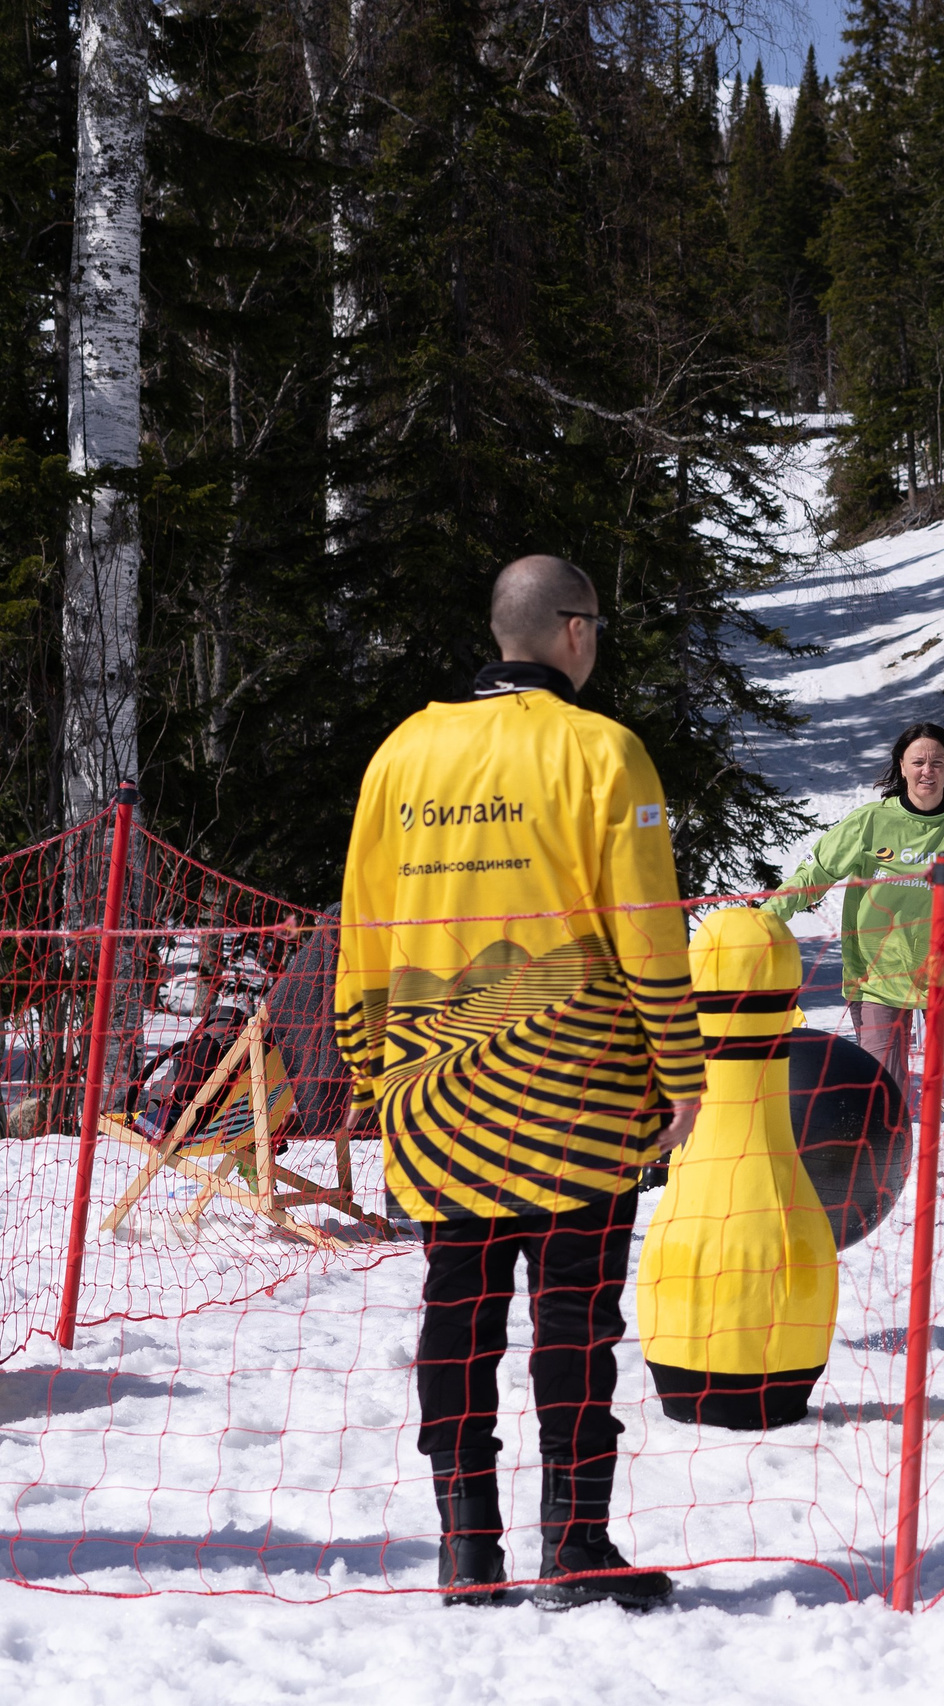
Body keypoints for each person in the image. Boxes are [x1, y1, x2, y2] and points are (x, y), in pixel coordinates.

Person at [336, 555, 697, 1609]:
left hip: (433, 1097)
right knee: (577, 1322)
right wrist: (682, 1072)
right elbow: (648, 933)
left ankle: (465, 1550)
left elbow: (359, 923)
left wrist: (376, 1064)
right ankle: (575, 1544)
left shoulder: (402, 751)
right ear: (573, 632)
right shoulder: (602, 750)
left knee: (458, 1313)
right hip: (582, 1095)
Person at [764, 722, 944, 1227]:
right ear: (901, 766)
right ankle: (865, 1198)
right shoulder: (871, 823)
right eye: (918, 761)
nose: (927, 771)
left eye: (937, 762)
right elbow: (817, 873)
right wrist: (768, 915)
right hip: (878, 976)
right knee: (877, 1091)